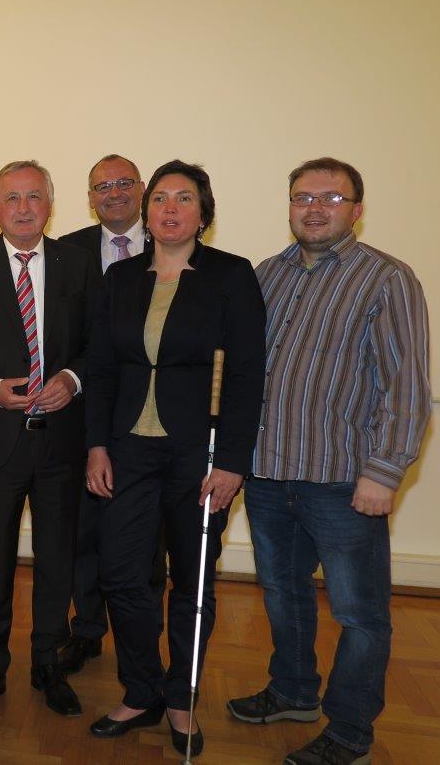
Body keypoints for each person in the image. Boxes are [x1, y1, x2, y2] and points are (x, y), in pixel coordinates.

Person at [227, 158, 431, 765]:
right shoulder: (268, 274)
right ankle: (292, 692)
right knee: (283, 594)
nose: (314, 209)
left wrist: (385, 471)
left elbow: (407, 385)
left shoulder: (387, 279)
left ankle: (349, 731)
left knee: (358, 614)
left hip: (343, 480)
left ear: (356, 209)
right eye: (301, 198)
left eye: (330, 198)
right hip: (268, 473)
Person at [84, 160, 265, 757]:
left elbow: (245, 376)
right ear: (146, 210)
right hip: (129, 451)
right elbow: (104, 370)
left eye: (183, 198)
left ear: (203, 212)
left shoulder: (232, 277)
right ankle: (142, 691)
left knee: (192, 581)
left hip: (201, 455)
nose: (169, 208)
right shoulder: (122, 278)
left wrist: (233, 462)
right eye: (159, 198)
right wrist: (96, 446)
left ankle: (181, 699)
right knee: (122, 575)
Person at [0, 160, 98, 722]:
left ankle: (46, 662)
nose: (24, 208)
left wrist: (72, 379)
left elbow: (97, 346)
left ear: (50, 204)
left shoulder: (78, 265)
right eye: (12, 198)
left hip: (62, 443)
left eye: (34, 196)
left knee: (57, 558)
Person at [57, 153, 158, 677]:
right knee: (86, 530)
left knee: (148, 534)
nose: (113, 193)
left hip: (151, 417)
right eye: (102, 187)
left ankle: (145, 636)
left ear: (141, 188)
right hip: (82, 413)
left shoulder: (170, 243)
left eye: (123, 184)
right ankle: (87, 629)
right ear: (90, 197)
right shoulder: (69, 251)